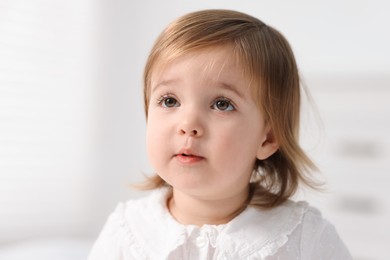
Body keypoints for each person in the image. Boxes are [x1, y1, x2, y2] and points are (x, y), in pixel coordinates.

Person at [88, 9, 352, 259]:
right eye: (169, 101)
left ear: (268, 137)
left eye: (222, 104)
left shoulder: (304, 238)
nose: (188, 124)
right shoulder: (128, 231)